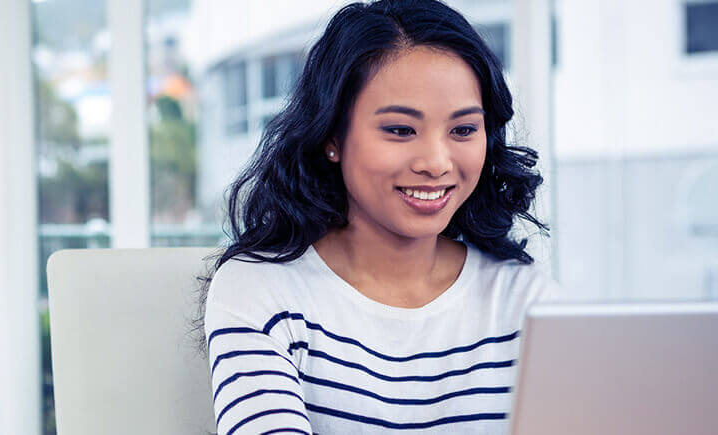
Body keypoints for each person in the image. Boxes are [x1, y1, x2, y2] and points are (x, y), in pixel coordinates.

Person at [200, 0, 560, 433]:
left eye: (463, 130)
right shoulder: (262, 290)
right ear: (332, 136)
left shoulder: (525, 298)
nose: (436, 162)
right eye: (400, 130)